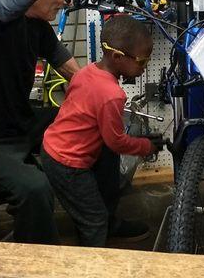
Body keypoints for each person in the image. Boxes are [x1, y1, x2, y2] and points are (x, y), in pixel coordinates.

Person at [0, 0, 99, 244]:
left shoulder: (37, 22)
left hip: (19, 122)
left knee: (94, 125)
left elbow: (67, 65)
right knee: (35, 189)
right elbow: (7, 2)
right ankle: (38, 264)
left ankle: (99, 222)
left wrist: (99, 96)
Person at [41, 15, 163, 247]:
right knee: (94, 221)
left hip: (54, 148)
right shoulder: (112, 95)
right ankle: (94, 261)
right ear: (118, 57)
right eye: (142, 62)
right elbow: (116, 141)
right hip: (68, 164)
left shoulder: (86, 72)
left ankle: (108, 222)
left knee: (108, 165)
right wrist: (146, 145)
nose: (144, 67)